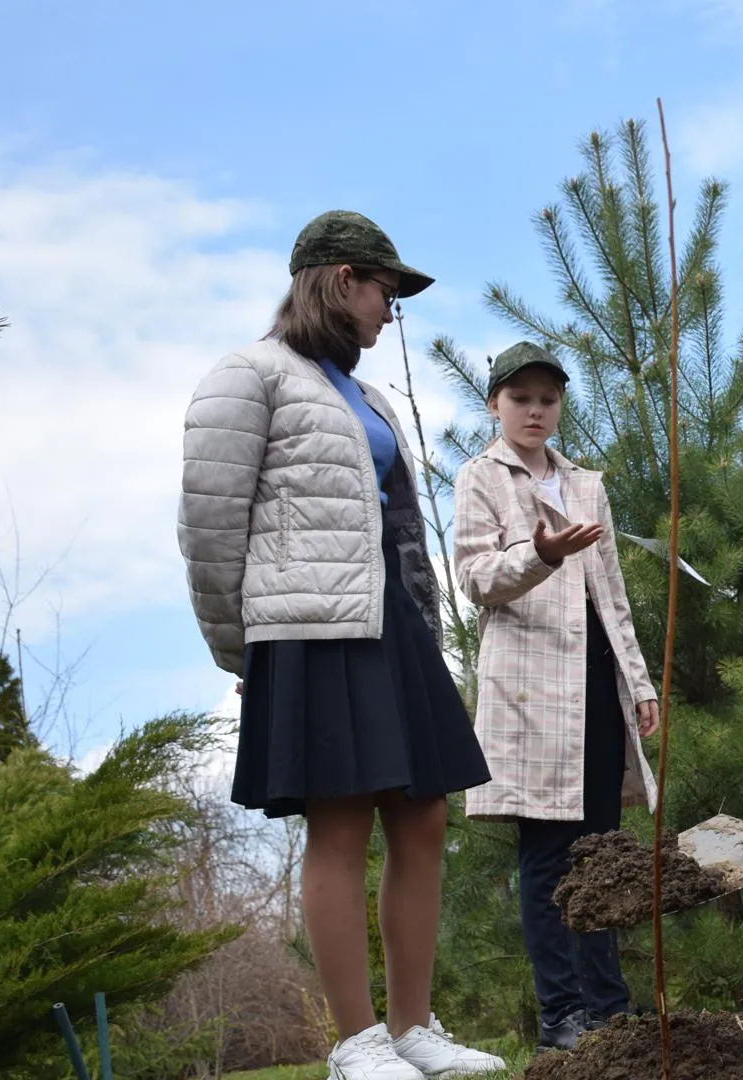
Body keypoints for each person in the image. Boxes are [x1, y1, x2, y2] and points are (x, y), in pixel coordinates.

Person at [179, 211, 503, 1079]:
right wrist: (243, 652)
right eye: (385, 292)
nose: (390, 312)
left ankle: (410, 1029)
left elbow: (397, 528)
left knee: (424, 815)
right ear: (341, 280)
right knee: (340, 820)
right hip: (307, 627)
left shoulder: (369, 399)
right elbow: (209, 525)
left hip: (392, 628)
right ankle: (355, 1042)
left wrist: (426, 634)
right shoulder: (247, 376)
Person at [451, 342, 661, 1053]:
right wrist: (542, 553)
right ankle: (560, 1018)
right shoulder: (480, 478)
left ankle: (611, 1009)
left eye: (547, 399)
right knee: (547, 859)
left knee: (602, 852)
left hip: (598, 686)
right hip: (529, 693)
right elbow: (476, 578)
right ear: (494, 405)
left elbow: (613, 595)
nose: (535, 411)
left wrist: (638, 683)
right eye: (520, 399)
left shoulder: (586, 484)